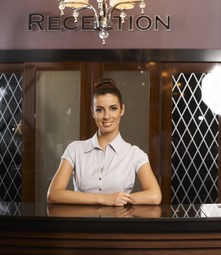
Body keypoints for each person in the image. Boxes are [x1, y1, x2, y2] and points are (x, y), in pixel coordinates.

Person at [47, 78, 162, 207]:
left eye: (113, 108)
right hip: (81, 226)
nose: (107, 116)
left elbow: (155, 195)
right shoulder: (75, 149)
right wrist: (104, 199)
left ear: (122, 109)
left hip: (119, 226)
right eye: (100, 110)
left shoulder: (135, 154)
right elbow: (53, 194)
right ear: (92, 112)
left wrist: (120, 199)